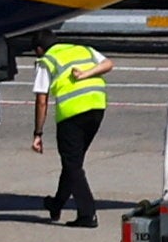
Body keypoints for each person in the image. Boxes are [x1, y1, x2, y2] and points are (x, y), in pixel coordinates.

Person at [37, 35, 115, 225]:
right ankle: (56, 204)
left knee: (72, 164)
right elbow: (108, 64)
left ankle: (87, 214)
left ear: (39, 49)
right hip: (97, 106)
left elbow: (41, 100)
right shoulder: (83, 49)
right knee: (73, 161)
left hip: (72, 113)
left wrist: (37, 132)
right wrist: (86, 74)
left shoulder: (46, 61)